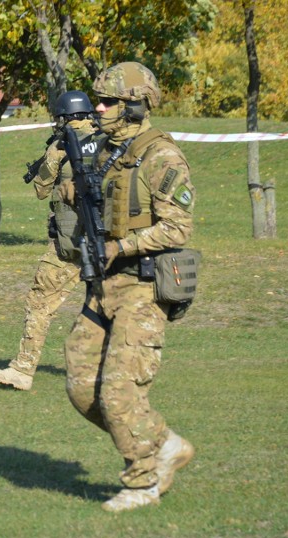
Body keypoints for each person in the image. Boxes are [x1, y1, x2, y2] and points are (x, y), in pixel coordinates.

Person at [63, 62, 196, 512]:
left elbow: (177, 229)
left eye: (109, 102)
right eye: (98, 99)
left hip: (144, 287)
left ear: (137, 105)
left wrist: (123, 245)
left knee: (119, 393)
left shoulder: (162, 156)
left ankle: (142, 481)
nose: (97, 108)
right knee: (82, 388)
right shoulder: (105, 153)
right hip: (103, 286)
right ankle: (163, 443)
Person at [0, 91, 103, 391]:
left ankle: (23, 370)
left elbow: (41, 190)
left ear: (65, 117)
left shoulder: (61, 147)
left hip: (69, 244)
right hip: (108, 240)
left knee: (40, 301)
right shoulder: (107, 141)